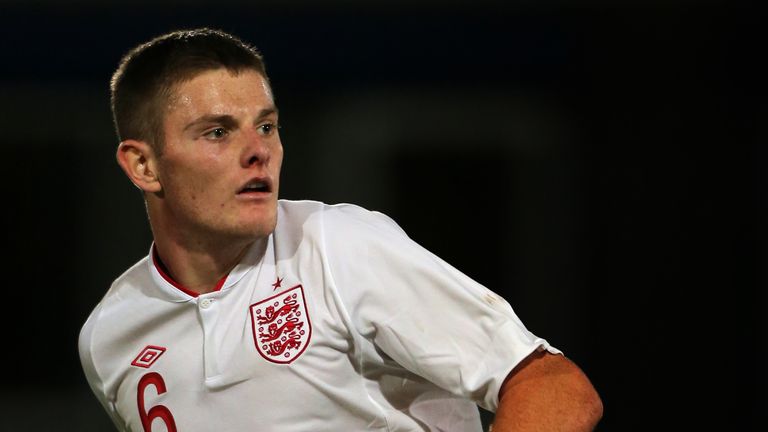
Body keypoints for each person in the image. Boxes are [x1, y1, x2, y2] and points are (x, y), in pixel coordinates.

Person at [78, 27, 603, 431]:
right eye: (217, 131)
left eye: (266, 125)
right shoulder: (110, 336)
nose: (258, 149)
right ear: (143, 166)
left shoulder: (338, 246)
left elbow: (553, 387)